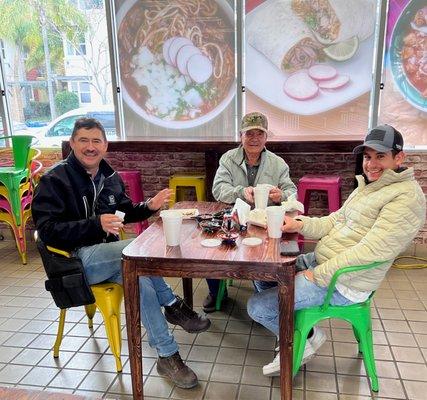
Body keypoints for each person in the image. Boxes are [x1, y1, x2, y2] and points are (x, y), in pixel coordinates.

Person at [31, 117, 211, 389]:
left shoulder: (109, 175)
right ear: (72, 144)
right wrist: (94, 224)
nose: (90, 147)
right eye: (83, 140)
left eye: (96, 141)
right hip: (73, 261)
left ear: (105, 146)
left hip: (110, 256)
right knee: (137, 251)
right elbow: (47, 231)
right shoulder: (54, 180)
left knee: (140, 277)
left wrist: (149, 206)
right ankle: (173, 305)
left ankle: (167, 354)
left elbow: (123, 210)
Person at [247, 124, 426, 376]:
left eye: (380, 156)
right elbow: (334, 221)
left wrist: (314, 276)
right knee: (263, 271)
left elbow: (369, 253)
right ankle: (304, 334)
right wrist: (298, 223)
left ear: (399, 157)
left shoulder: (405, 198)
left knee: (258, 307)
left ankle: (302, 340)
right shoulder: (370, 187)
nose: (371, 164)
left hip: (345, 282)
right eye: (367, 156)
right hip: (325, 262)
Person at [203, 112, 297, 312]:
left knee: (268, 254)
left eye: (259, 134)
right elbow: (218, 189)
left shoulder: (277, 163)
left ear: (266, 138)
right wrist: (240, 192)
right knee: (211, 249)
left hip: (264, 220)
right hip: (235, 218)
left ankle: (264, 292)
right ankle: (216, 290)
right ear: (241, 136)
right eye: (249, 134)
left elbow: (291, 192)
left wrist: (281, 195)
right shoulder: (229, 159)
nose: (254, 138)